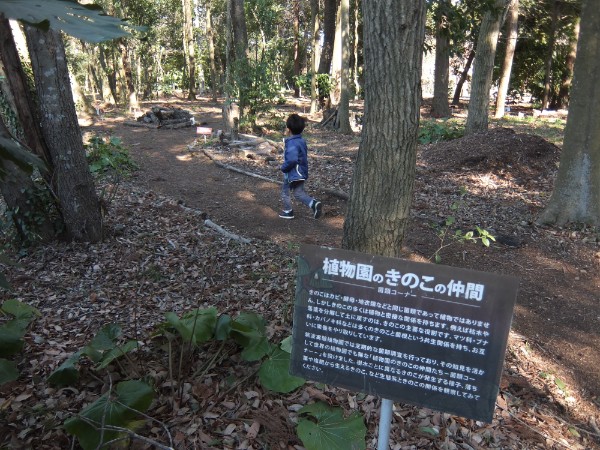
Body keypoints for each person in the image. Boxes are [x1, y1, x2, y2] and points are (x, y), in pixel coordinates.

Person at [279, 114, 322, 220]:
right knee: (298, 193)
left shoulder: (292, 143)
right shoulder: (301, 141)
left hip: (292, 173)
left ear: (288, 129)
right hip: (301, 172)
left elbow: (292, 160)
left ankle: (288, 211)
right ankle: (313, 203)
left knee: (285, 192)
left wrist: (284, 168)